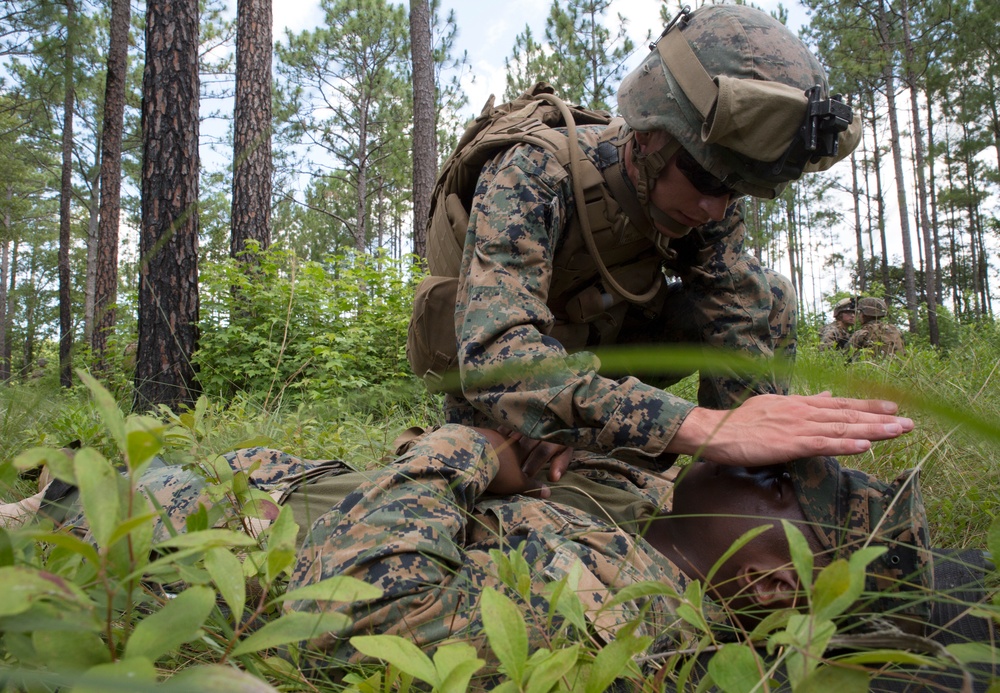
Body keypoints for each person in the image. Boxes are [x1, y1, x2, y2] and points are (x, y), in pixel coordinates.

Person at [422, 4, 896, 479]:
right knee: (511, 477)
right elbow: (495, 360)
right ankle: (591, 445)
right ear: (649, 138)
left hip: (605, 358)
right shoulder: (530, 172)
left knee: (769, 295)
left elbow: (737, 311)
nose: (716, 208)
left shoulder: (709, 199)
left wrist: (751, 440)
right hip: (504, 381)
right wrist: (694, 426)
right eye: (707, 180)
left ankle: (729, 484)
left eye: (736, 190)